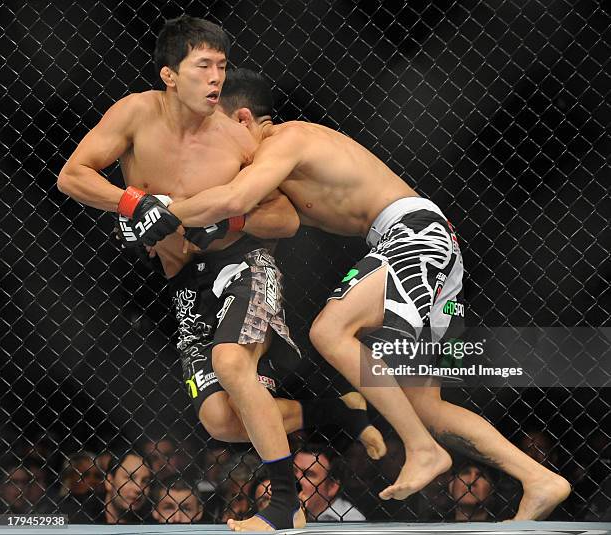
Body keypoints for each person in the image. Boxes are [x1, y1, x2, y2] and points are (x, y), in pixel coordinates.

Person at [164, 67, 572, 521]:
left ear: (242, 119)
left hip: (412, 234)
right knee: (426, 406)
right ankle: (538, 478)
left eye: (216, 129)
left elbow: (235, 199)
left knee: (330, 330)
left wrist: (153, 210)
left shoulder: (287, 140)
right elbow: (268, 218)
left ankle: (421, 449)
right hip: (427, 247)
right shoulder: (274, 168)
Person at [57, 15, 385, 530]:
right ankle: (336, 412)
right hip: (184, 283)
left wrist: (228, 220)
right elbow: (72, 175)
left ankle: (284, 505)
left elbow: (287, 216)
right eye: (203, 65)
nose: (215, 78)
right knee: (220, 421)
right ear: (169, 74)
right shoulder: (135, 114)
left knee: (233, 363)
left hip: (243, 264)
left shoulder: (236, 139)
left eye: (222, 66)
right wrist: (132, 202)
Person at [294, 447, 365, 522]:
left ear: (332, 487)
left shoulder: (352, 522)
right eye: (294, 471)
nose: (296, 480)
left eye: (308, 474)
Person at [104, 450, 152, 523]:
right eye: (130, 478)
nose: (139, 489)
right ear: (109, 481)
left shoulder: (151, 522)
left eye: (145, 481)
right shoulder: (83, 517)